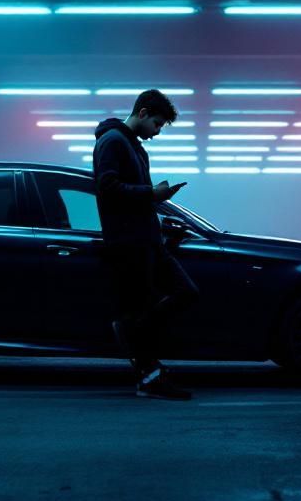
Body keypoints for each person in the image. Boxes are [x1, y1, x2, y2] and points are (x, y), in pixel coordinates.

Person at [92, 89, 200, 400]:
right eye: (157, 123)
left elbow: (131, 194)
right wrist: (151, 194)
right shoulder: (112, 142)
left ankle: (134, 336)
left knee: (184, 293)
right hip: (129, 242)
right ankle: (149, 376)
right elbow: (107, 187)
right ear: (142, 113)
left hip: (147, 239)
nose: (157, 132)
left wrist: (155, 207)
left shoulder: (134, 147)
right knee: (145, 306)